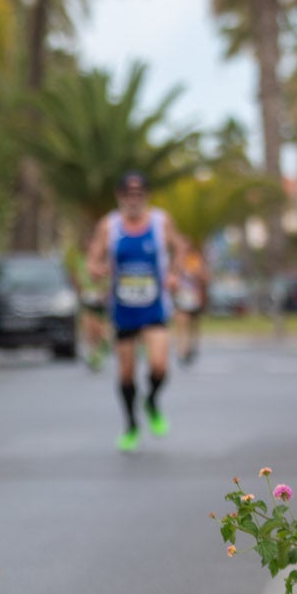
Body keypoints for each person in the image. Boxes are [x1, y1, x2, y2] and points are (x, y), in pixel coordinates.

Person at [85, 173, 183, 453]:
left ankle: (151, 401)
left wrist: (175, 275)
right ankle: (130, 425)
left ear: (147, 197)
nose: (134, 199)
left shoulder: (161, 223)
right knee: (126, 374)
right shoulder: (110, 226)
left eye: (139, 194)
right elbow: (94, 257)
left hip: (155, 307)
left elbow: (180, 248)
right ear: (120, 197)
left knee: (159, 366)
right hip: (123, 309)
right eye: (128, 195)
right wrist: (96, 269)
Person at [172, 242, 209, 367]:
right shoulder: (177, 261)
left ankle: (193, 346)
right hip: (182, 297)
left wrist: (195, 275)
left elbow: (205, 277)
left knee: (194, 324)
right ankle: (182, 350)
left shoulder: (196, 260)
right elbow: (172, 278)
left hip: (195, 296)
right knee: (181, 322)